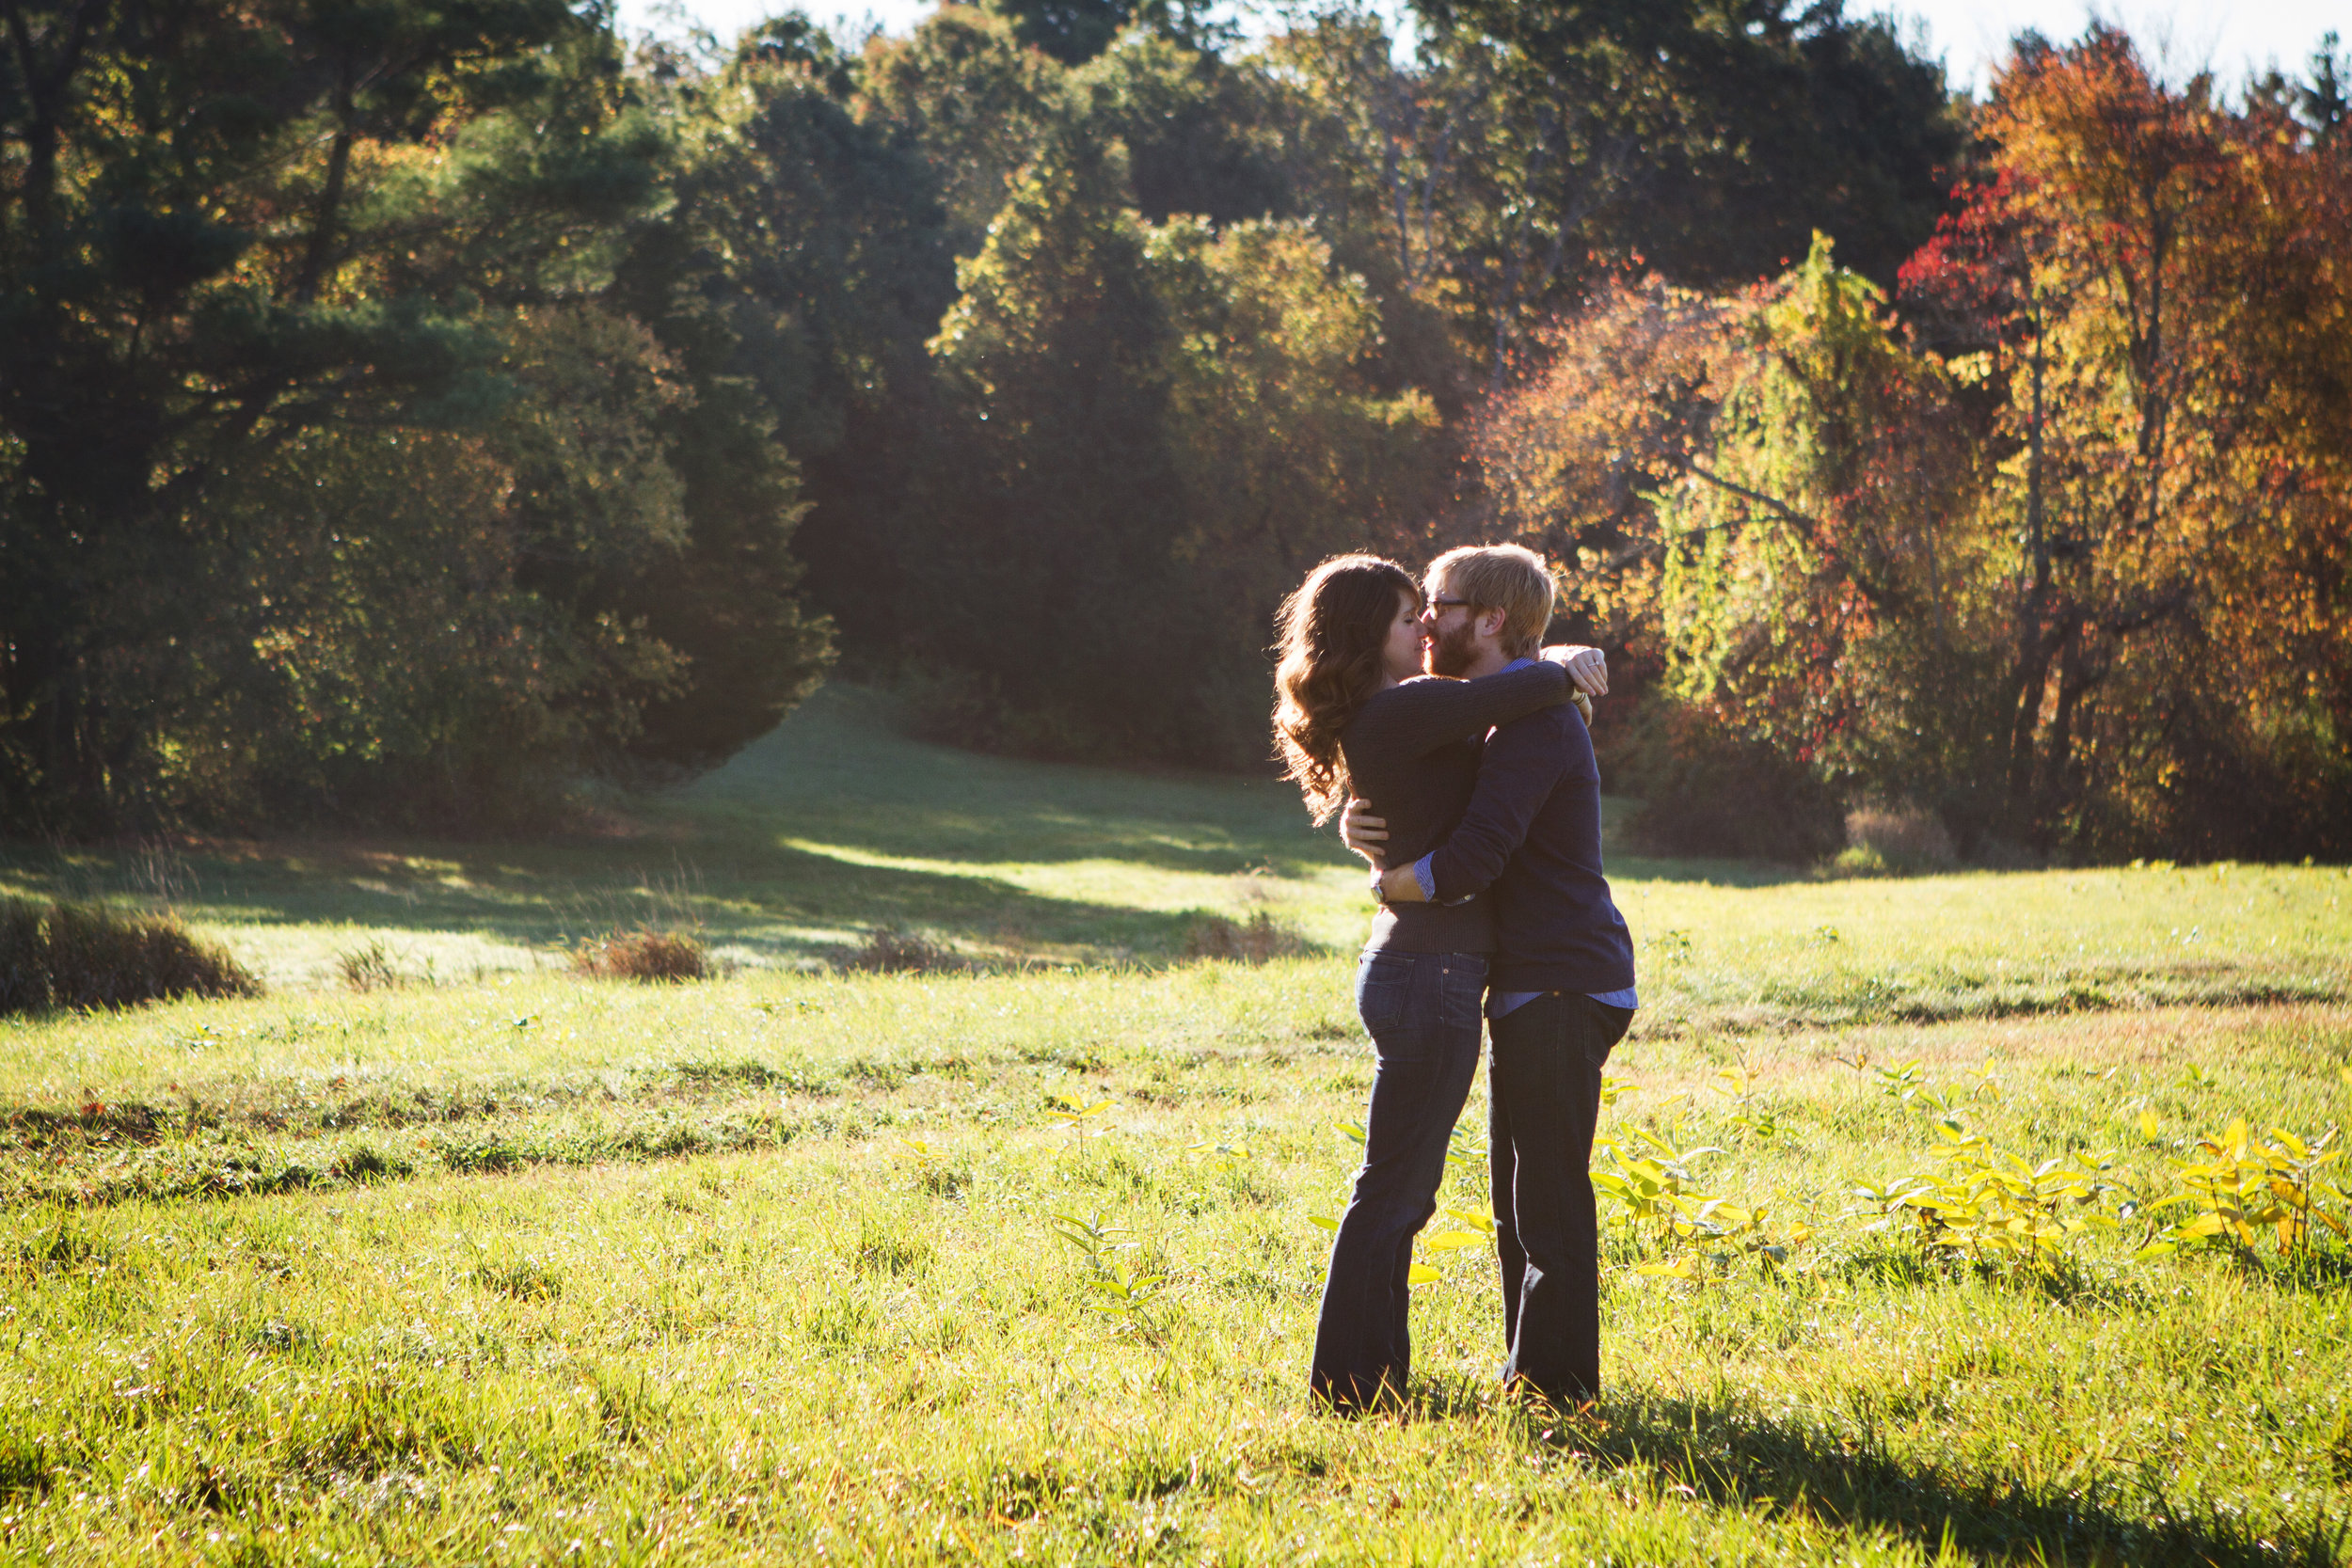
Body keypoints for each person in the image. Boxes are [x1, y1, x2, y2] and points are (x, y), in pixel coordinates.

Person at [1271, 552, 1606, 1413]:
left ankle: (1373, 1381)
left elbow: (1488, 734)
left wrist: (1380, 858)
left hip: (1442, 967)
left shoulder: (1409, 713)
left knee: (1405, 1190)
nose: (1423, 623)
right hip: (1432, 969)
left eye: (1434, 607)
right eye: (1406, 614)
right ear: (1368, 635)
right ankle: (1353, 1387)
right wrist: (1560, 664)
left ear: (1485, 618)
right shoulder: (1410, 707)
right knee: (1396, 1191)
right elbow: (1511, 701)